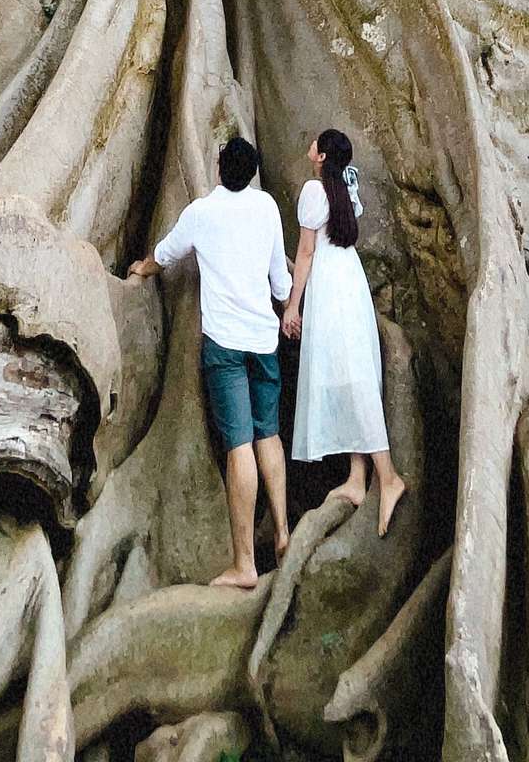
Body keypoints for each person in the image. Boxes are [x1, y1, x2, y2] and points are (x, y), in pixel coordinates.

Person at [128, 133, 292, 588]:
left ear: (219, 168)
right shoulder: (267, 208)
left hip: (225, 347)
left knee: (239, 446)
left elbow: (164, 254)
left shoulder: (202, 213)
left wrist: (141, 269)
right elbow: (280, 283)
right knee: (269, 436)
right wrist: (285, 300)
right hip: (263, 340)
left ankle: (245, 565)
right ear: (253, 171)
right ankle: (282, 532)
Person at [282, 128, 406, 535]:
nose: (310, 145)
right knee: (349, 375)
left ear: (320, 156)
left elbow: (305, 252)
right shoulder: (345, 187)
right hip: (349, 281)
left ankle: (387, 476)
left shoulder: (314, 193)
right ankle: (357, 476)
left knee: (351, 379)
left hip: (330, 289)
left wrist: (293, 304)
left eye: (315, 143)